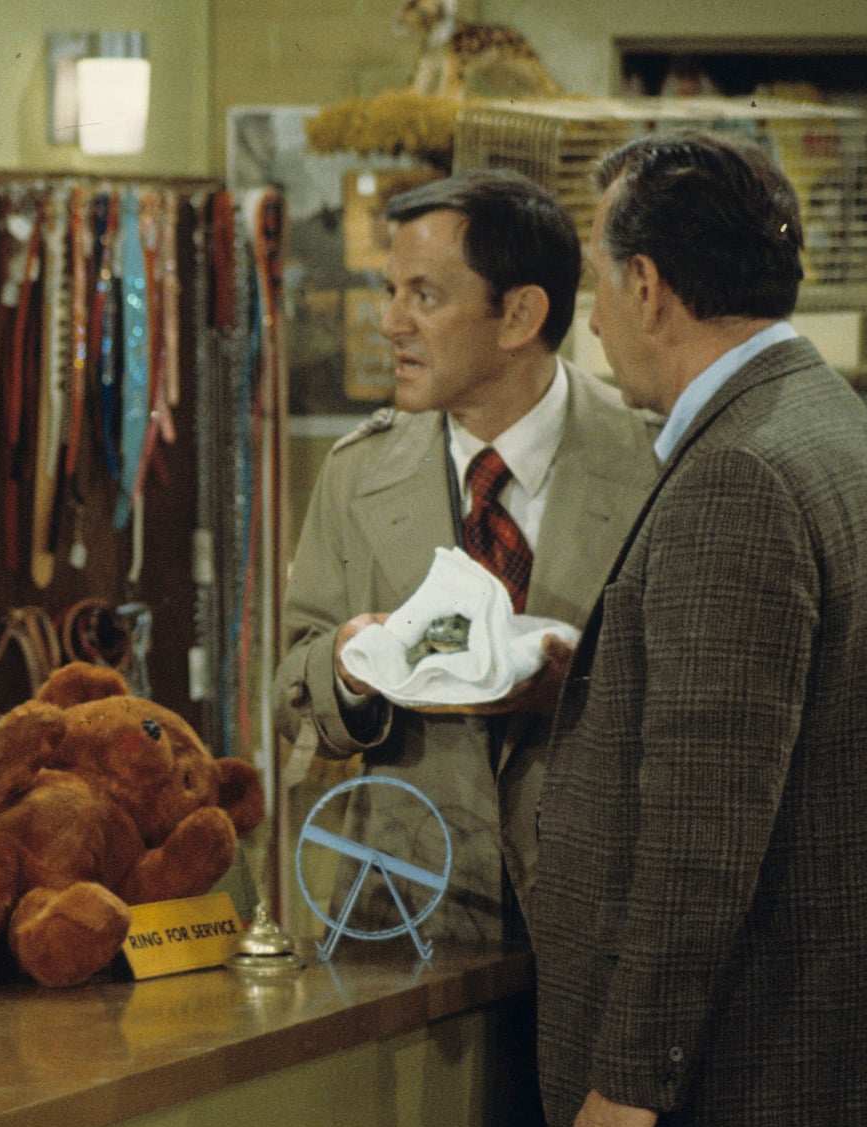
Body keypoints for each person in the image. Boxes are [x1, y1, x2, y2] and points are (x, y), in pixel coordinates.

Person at [531, 130, 867, 1127]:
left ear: (646, 284)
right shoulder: (828, 428)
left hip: (719, 1103)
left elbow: (704, 832)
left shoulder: (738, 474)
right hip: (784, 1082)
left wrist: (629, 1081)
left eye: (597, 282)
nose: (592, 320)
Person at [275, 169, 658, 946]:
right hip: (405, 917)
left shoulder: (654, 461)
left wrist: (582, 690)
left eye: (424, 295)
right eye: (390, 292)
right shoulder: (357, 473)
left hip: (598, 921)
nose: (389, 323)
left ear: (519, 315)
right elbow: (292, 693)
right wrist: (347, 667)